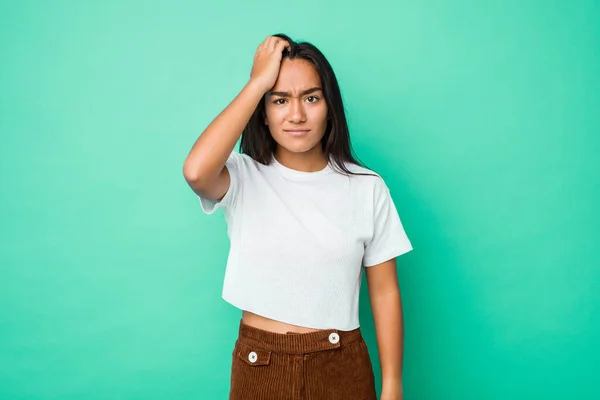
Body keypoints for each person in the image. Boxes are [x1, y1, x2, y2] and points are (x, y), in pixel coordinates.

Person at [183, 33, 413, 400]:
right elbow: (196, 172)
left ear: (329, 105)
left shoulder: (367, 188)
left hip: (341, 367)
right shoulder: (243, 177)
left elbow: (384, 291)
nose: (296, 115)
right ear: (263, 111)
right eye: (279, 100)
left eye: (311, 97)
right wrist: (258, 81)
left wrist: (393, 386)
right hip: (260, 367)